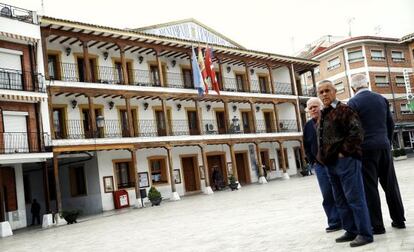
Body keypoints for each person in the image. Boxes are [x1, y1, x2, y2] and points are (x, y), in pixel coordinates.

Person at [317, 80, 373, 247]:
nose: (324, 94)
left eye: (327, 90)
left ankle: (365, 233)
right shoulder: (324, 112)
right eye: (321, 92)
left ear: (334, 92)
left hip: (346, 161)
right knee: (340, 199)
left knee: (355, 197)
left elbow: (357, 133)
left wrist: (343, 153)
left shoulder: (344, 109)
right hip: (330, 163)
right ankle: (351, 230)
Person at [348, 74, 406, 234]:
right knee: (391, 185)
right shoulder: (381, 99)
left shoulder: (352, 103)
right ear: (367, 83)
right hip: (384, 147)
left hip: (366, 150)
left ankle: (377, 226)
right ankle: (399, 220)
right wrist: (386, 141)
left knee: (370, 188)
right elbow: (391, 123)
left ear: (353, 88)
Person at [304, 97, 341, 233]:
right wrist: (312, 161)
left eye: (315, 106)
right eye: (310, 108)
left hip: (335, 162)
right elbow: (306, 145)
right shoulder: (308, 126)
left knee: (340, 192)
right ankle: (334, 222)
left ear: (321, 107)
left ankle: (347, 219)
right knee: (327, 194)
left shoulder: (330, 119)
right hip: (319, 166)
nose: (313, 109)